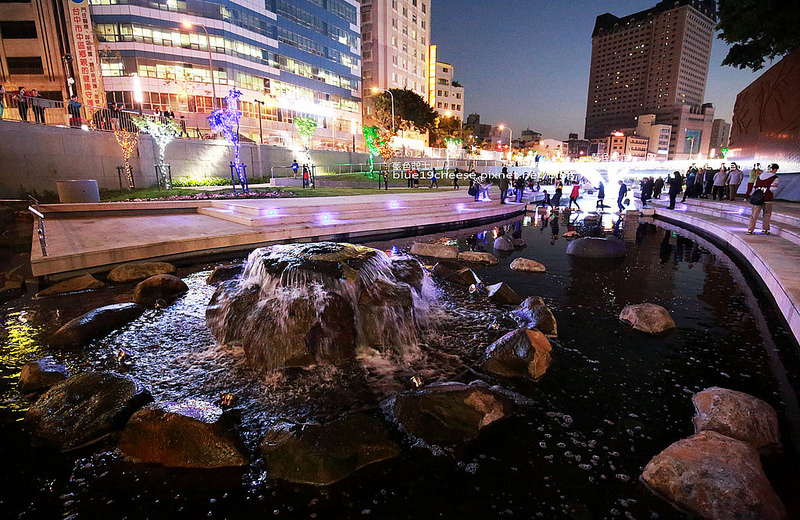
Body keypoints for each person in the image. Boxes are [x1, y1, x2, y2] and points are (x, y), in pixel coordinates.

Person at [747, 164, 780, 235]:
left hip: (757, 199)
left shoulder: (759, 177)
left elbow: (754, 187)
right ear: (774, 169)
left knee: (754, 215)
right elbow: (773, 189)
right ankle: (765, 229)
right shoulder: (774, 178)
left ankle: (750, 230)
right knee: (767, 214)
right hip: (768, 198)